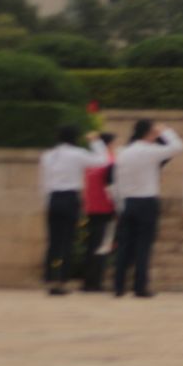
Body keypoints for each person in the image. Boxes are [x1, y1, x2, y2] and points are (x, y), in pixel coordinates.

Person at [111, 118, 183, 298]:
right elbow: (177, 147)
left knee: (124, 245)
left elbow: (117, 182)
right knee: (143, 245)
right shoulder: (151, 151)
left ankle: (119, 286)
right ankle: (140, 286)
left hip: (127, 201)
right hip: (146, 201)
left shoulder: (123, 152)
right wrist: (165, 131)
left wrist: (119, 205)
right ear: (150, 133)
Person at [38, 125, 110, 295]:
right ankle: (61, 281)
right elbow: (103, 161)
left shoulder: (48, 155)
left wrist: (46, 202)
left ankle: (50, 278)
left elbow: (44, 181)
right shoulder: (77, 153)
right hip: (70, 198)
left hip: (53, 198)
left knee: (53, 241)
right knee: (67, 240)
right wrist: (96, 141)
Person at [80, 131, 118, 292]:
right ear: (108, 145)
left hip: (91, 207)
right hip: (107, 208)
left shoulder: (91, 163)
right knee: (103, 246)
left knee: (91, 245)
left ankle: (88, 281)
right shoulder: (110, 162)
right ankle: (96, 282)